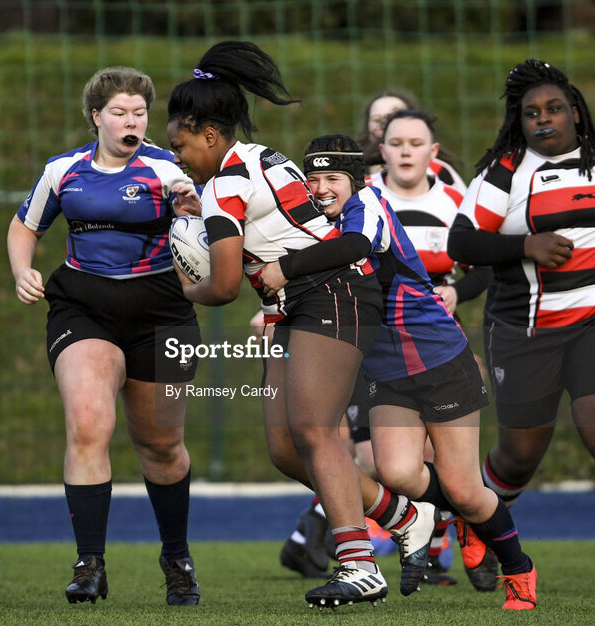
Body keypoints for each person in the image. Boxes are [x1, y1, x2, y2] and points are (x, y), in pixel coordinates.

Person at [166, 41, 434, 610]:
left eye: (180, 143)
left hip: (333, 293)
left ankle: (359, 566)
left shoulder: (227, 185)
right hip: (298, 303)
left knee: (316, 432)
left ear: (209, 134)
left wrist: (180, 281)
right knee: (287, 450)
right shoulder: (262, 158)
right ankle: (404, 515)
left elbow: (223, 287)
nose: (178, 155)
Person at [258, 134, 539, 610]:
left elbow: (355, 246)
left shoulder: (368, 206)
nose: (323, 188)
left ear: (356, 180)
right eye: (314, 180)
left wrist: (285, 268)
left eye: (333, 179)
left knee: (465, 488)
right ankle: (459, 516)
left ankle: (517, 568)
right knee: (398, 472)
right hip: (385, 372)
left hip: (438, 359)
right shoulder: (312, 225)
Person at [448, 58, 595, 595]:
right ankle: (475, 522)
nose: (543, 119)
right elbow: (461, 243)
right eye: (531, 112)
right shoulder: (505, 173)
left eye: (555, 108)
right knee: (520, 456)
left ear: (576, 113)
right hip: (523, 331)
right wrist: (524, 245)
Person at [8, 66, 203, 606]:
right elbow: (25, 224)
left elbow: (201, 222)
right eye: (119, 112)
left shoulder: (169, 169)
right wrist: (23, 268)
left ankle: (176, 557)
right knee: (89, 423)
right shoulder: (64, 170)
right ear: (96, 117)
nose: (131, 120)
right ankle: (89, 562)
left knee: (161, 445)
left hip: (161, 313)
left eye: (140, 113)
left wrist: (191, 215)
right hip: (82, 308)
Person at [357, 90, 466, 190]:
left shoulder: (440, 172)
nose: (386, 124)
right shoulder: (352, 172)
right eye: (378, 120)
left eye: (395, 116)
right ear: (367, 125)